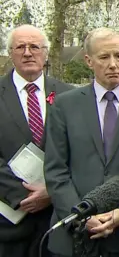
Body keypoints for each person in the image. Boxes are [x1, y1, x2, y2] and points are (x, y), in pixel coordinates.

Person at [43, 27, 119, 257]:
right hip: (72, 239)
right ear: (89, 61)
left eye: (118, 56)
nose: (113, 64)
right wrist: (80, 215)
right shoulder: (64, 106)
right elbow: (56, 171)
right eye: (104, 57)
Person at [0, 24, 72, 257]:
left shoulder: (69, 96)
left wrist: (51, 191)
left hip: (56, 221)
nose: (28, 52)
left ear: (46, 52)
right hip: (9, 223)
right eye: (20, 47)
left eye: (34, 46)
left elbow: (81, 150)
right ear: (10, 52)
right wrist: (23, 196)